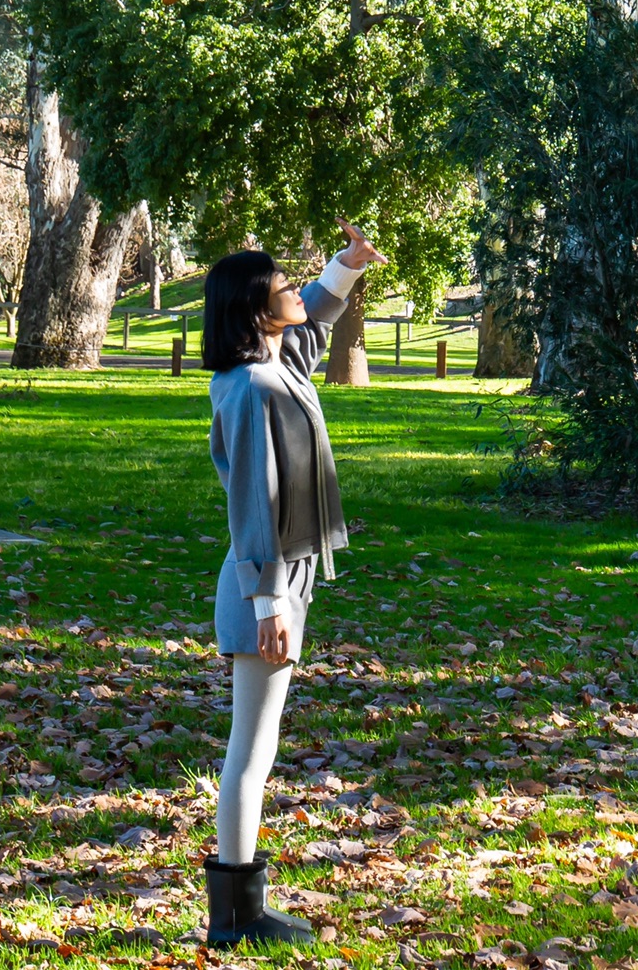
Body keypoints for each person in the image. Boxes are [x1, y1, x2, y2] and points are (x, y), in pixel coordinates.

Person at [200, 219, 385, 945]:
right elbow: (254, 503)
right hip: (262, 590)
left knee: (262, 741)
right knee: (250, 747)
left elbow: (309, 329)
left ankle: (242, 909)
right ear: (254, 308)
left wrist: (346, 266)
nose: (293, 287)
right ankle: (235, 916)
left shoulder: (277, 366)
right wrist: (269, 600)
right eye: (281, 284)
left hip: (281, 585)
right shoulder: (248, 389)